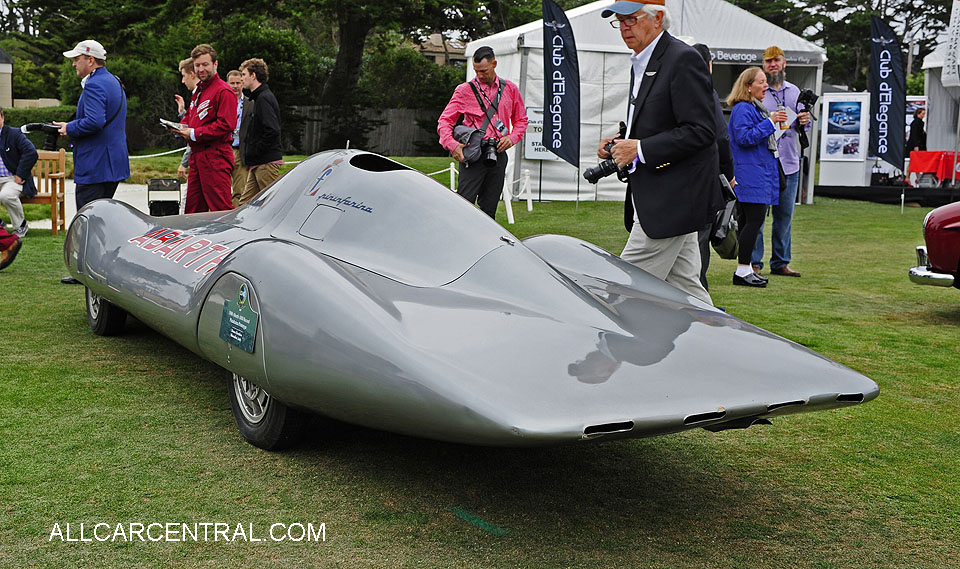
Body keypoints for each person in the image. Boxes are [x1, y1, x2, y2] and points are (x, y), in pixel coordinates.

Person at [597, 0, 718, 305]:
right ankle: (718, 345)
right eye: (619, 21)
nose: (624, 28)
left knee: (623, 292)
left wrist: (640, 148)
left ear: (658, 18)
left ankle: (608, 351)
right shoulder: (644, 59)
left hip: (672, 198)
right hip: (665, 196)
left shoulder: (682, 59)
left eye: (631, 20)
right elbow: (660, 121)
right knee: (689, 294)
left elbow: (703, 130)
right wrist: (622, 140)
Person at [55, 39, 130, 285]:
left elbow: (95, 122)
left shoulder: (95, 85)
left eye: (77, 59)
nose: (74, 63)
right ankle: (101, 271)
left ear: (91, 60)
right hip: (111, 162)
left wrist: (69, 127)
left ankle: (87, 273)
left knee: (88, 219)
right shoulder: (114, 81)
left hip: (96, 163)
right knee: (102, 219)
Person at [437, 46, 528, 219]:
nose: (479, 76)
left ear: (494, 64)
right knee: (464, 205)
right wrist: (453, 146)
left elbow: (521, 120)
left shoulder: (510, 89)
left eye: (484, 71)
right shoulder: (464, 90)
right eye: (476, 71)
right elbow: (444, 121)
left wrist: (511, 138)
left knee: (490, 208)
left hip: (498, 154)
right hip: (473, 154)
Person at [752, 46, 810, 278]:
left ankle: (780, 262)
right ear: (763, 65)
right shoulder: (758, 92)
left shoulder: (794, 91)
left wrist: (804, 121)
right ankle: (754, 261)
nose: (773, 64)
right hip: (764, 162)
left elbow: (803, 126)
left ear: (784, 63)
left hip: (789, 161)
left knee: (784, 215)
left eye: (776, 60)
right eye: (768, 61)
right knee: (757, 215)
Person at [727, 67, 786, 288]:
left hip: (757, 173)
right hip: (749, 174)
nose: (766, 86)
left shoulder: (754, 108)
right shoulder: (743, 109)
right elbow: (744, 137)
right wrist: (770, 123)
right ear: (748, 86)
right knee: (753, 222)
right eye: (761, 82)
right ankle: (742, 270)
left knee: (751, 222)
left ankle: (746, 269)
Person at [173, 44, 237, 214]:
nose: (201, 69)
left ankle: (227, 240)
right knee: (193, 210)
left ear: (215, 64)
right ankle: (196, 240)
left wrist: (194, 133)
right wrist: (181, 127)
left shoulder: (224, 91)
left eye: (205, 64)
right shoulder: (199, 91)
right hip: (197, 156)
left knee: (220, 209)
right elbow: (193, 118)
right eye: (197, 65)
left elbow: (227, 124)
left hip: (216, 156)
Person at [692, 42, 733, 292]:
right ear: (709, 65)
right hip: (703, 180)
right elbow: (721, 137)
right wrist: (728, 175)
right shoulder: (706, 92)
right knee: (697, 247)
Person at [238, 58, 282, 206]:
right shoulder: (258, 98)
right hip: (258, 162)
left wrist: (256, 150)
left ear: (254, 76)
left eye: (244, 74)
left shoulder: (264, 98)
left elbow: (272, 130)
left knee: (271, 204)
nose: (241, 78)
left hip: (266, 163)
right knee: (245, 205)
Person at [0, 105, 39, 238]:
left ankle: (20, 226)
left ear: (2, 118)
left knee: (6, 195)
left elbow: (31, 152)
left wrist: (20, 174)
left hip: (14, 179)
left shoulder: (14, 134)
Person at [226, 69, 251, 205]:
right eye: (232, 83)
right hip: (225, 149)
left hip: (241, 150)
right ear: (227, 84)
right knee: (220, 190)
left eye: (238, 83)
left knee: (240, 190)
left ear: (242, 83)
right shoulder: (222, 102)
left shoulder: (251, 103)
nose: (235, 86)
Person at [174, 57, 197, 184]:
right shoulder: (196, 96)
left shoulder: (200, 96)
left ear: (192, 74)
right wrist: (182, 112)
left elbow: (194, 133)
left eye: (184, 76)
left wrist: (184, 163)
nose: (182, 81)